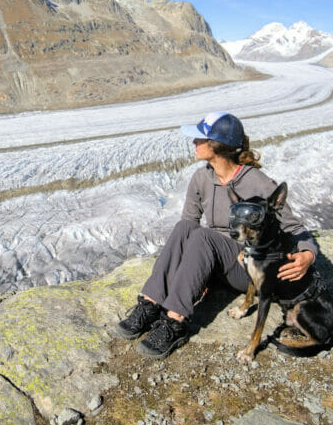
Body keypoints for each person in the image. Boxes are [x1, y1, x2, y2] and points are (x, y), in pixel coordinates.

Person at [115, 111, 319, 359]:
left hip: (247, 271)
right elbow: (188, 225)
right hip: (215, 261)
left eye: (200, 139)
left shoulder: (258, 183)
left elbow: (294, 227)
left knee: (204, 236)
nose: (194, 143)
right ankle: (150, 303)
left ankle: (175, 321)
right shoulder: (202, 177)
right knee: (184, 227)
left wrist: (308, 254)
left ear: (217, 146)